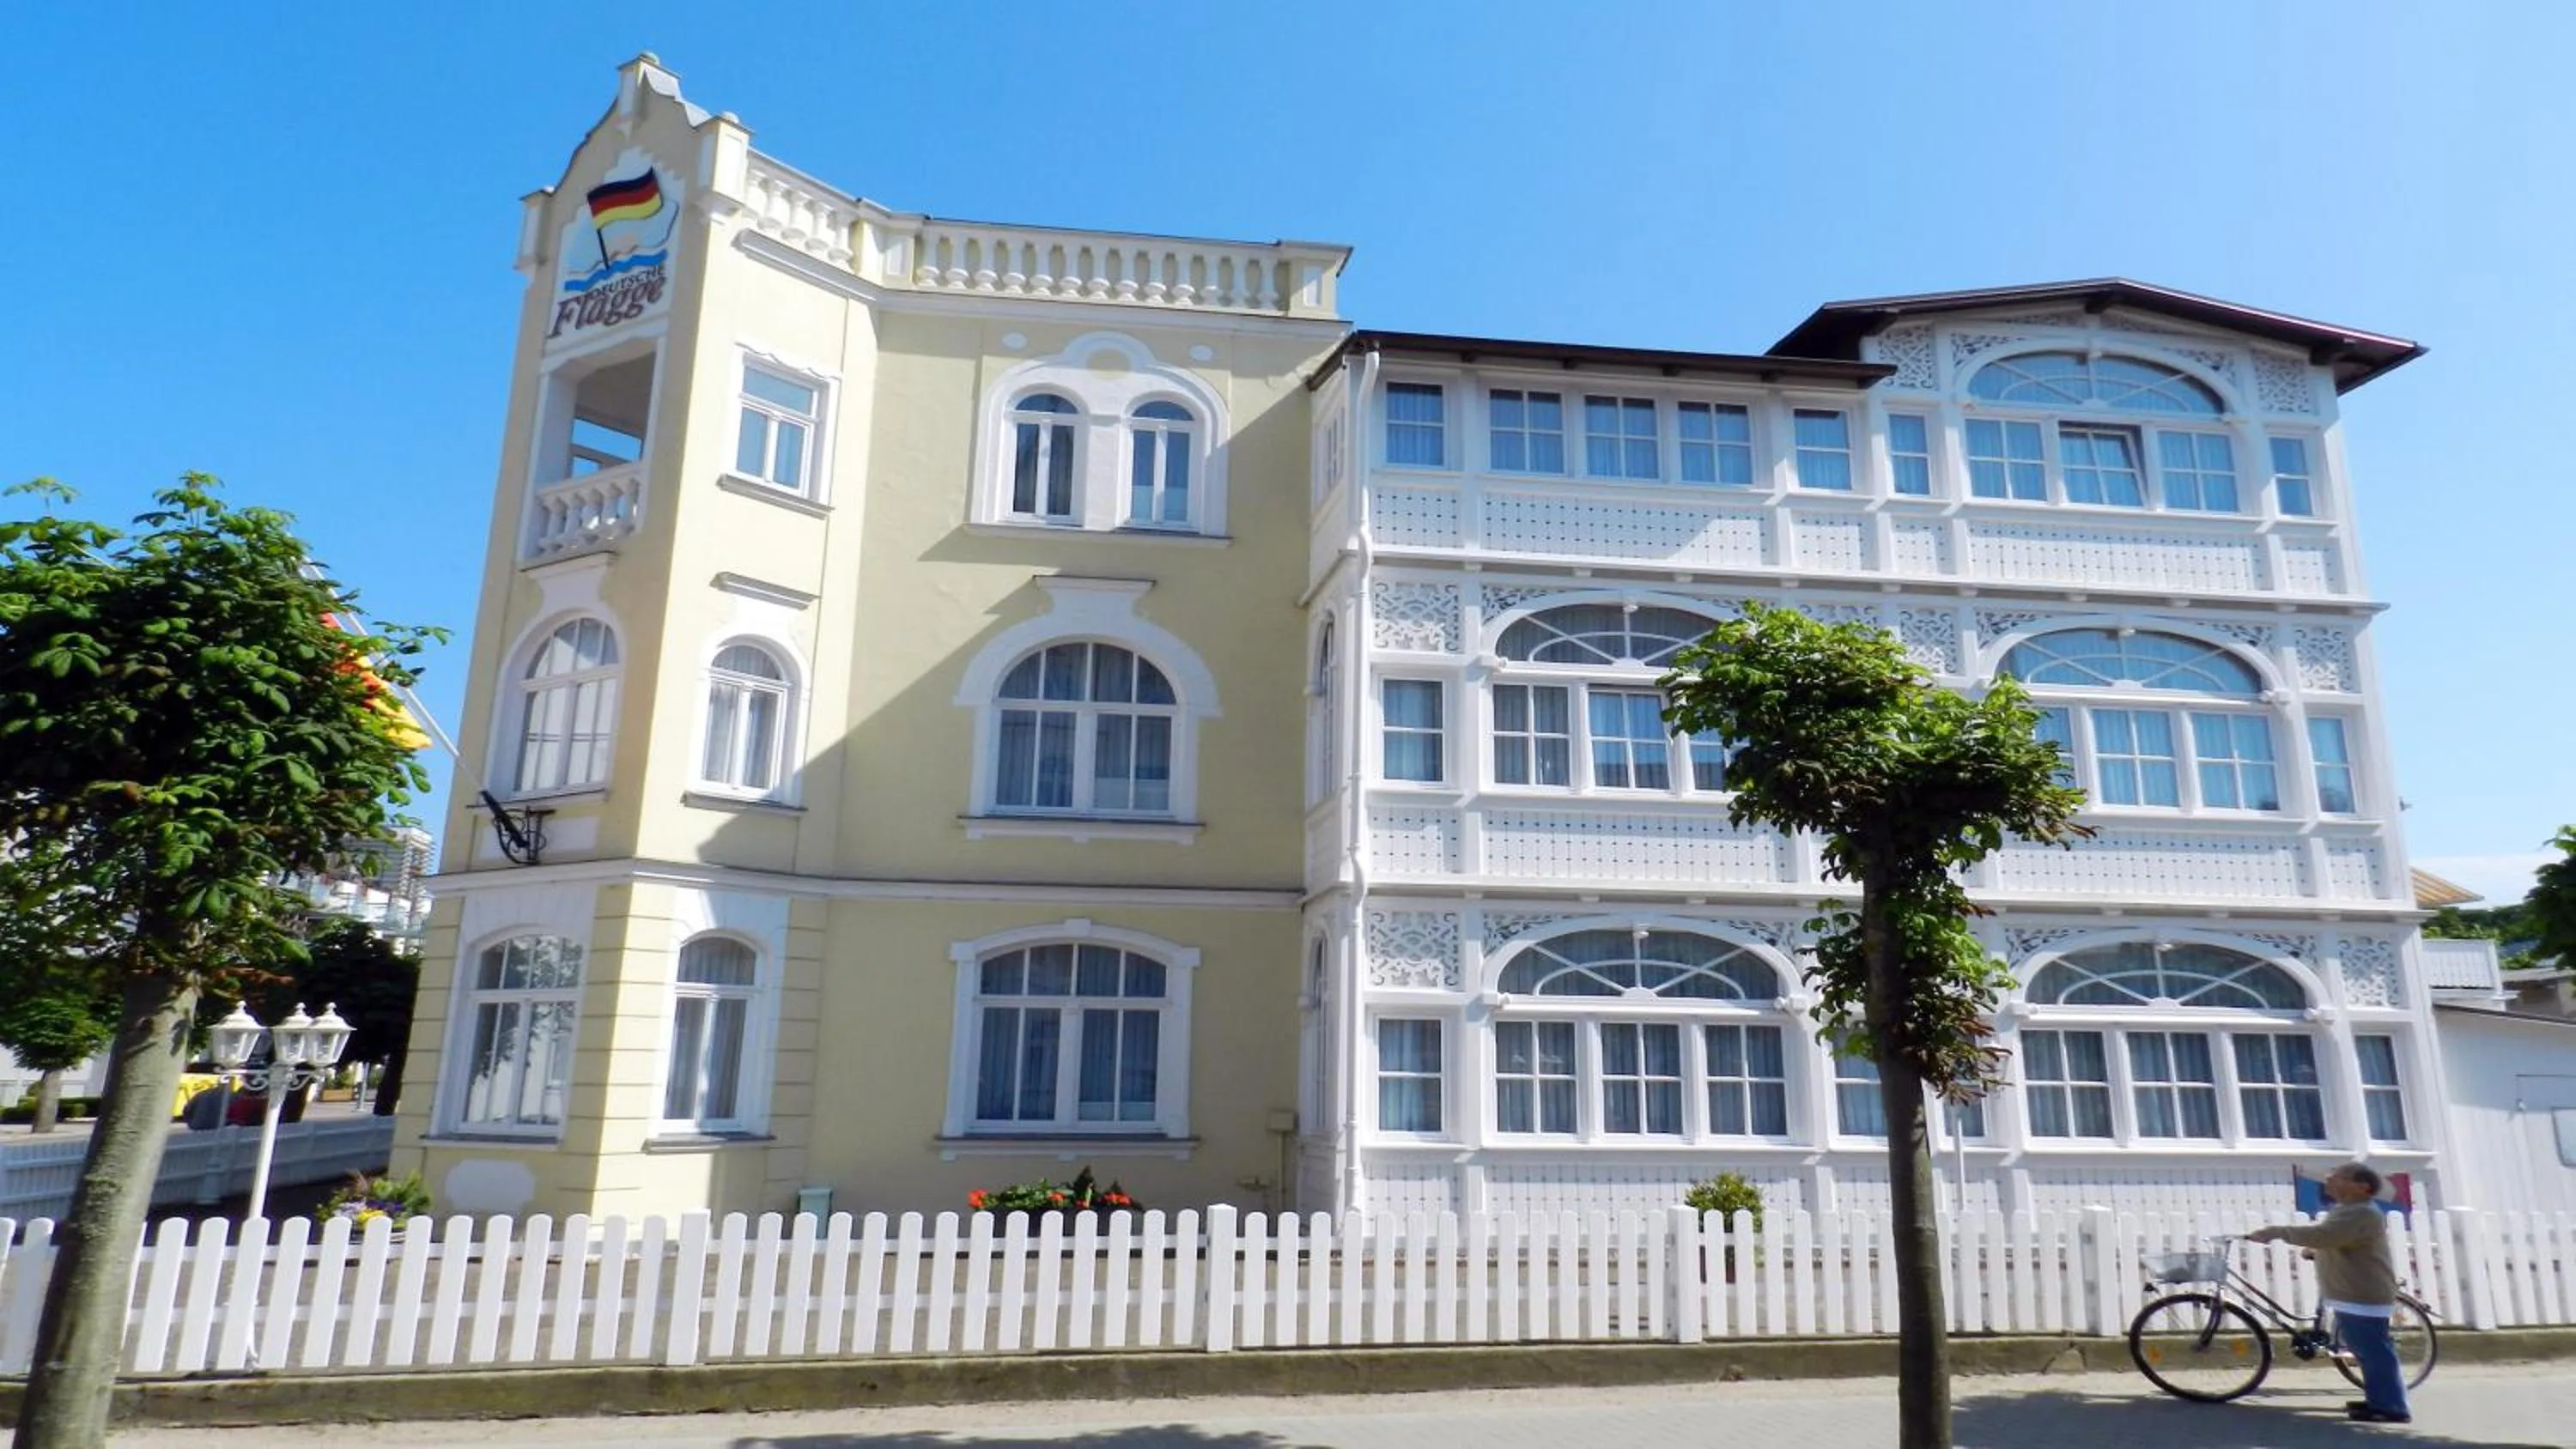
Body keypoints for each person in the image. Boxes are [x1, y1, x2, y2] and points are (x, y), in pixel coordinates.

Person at [2248, 1161, 2408, 1424]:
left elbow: (2326, 1235)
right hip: (2352, 1294)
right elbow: (2337, 1240)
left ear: (2362, 1187)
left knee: (2374, 1352)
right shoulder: (2348, 1210)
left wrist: (2277, 1232)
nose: (2330, 1179)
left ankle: (2392, 1406)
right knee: (2365, 1351)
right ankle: (2379, 1400)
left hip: (2363, 1295)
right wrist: (2318, 1249)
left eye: (2339, 1177)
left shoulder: (2362, 1213)